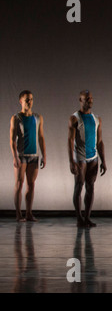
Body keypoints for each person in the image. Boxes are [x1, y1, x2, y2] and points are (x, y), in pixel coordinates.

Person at [68, 90, 107, 227]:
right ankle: (79, 218)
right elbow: (70, 140)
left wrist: (103, 160)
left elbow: (100, 141)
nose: (89, 100)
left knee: (90, 187)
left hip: (93, 157)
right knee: (79, 186)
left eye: (91, 98)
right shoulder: (75, 118)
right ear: (80, 100)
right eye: (86, 99)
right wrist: (71, 161)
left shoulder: (97, 119)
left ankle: (87, 218)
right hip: (80, 157)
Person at [10, 90, 46, 222]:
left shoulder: (38, 117)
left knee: (31, 185)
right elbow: (12, 140)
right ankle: (19, 214)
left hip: (34, 156)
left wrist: (44, 155)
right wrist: (15, 156)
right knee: (19, 184)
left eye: (31, 99)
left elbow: (41, 137)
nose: (29, 102)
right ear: (21, 101)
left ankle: (29, 213)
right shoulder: (16, 118)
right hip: (21, 156)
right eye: (27, 99)